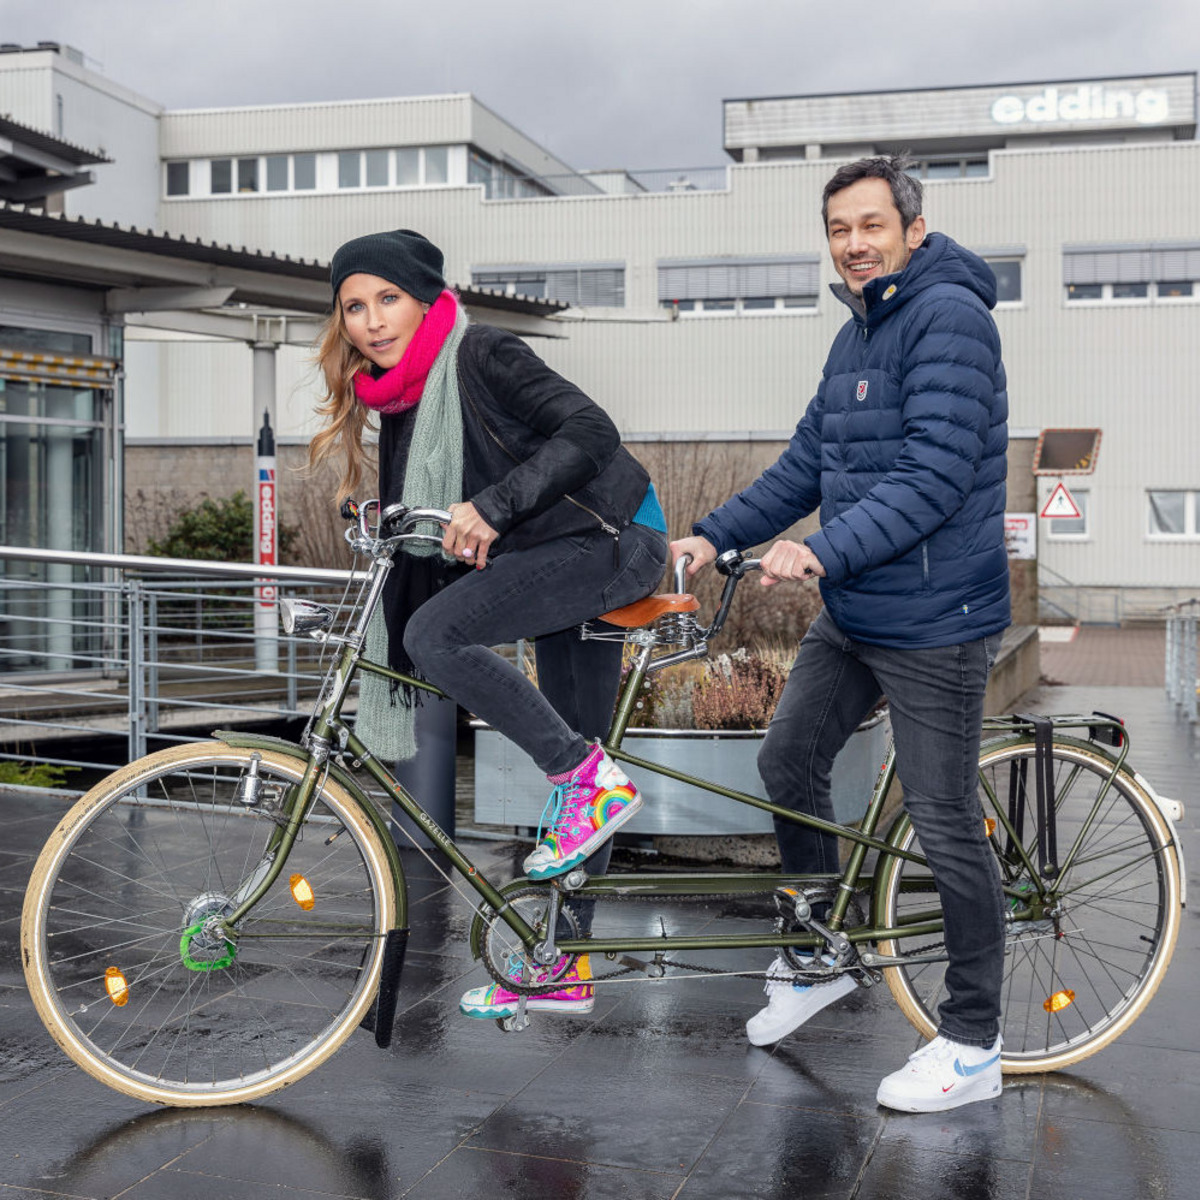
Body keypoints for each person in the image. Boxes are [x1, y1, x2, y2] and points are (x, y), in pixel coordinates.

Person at [671, 156, 1010, 1113]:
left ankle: (974, 1042)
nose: (853, 244)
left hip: (937, 617)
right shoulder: (857, 332)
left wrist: (819, 552)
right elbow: (808, 463)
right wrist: (714, 533)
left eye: (870, 225)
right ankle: (819, 954)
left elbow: (936, 477)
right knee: (789, 762)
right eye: (837, 230)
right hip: (860, 609)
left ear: (911, 225)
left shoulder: (951, 319)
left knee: (943, 821)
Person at [309, 228, 667, 1021]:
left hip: (611, 537)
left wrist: (494, 508)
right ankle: (561, 965)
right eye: (354, 307)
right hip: (551, 552)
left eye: (387, 299)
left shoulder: (482, 354)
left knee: (436, 637)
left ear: (426, 298)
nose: (370, 320)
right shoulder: (400, 398)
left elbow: (590, 431)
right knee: (581, 754)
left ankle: (589, 783)